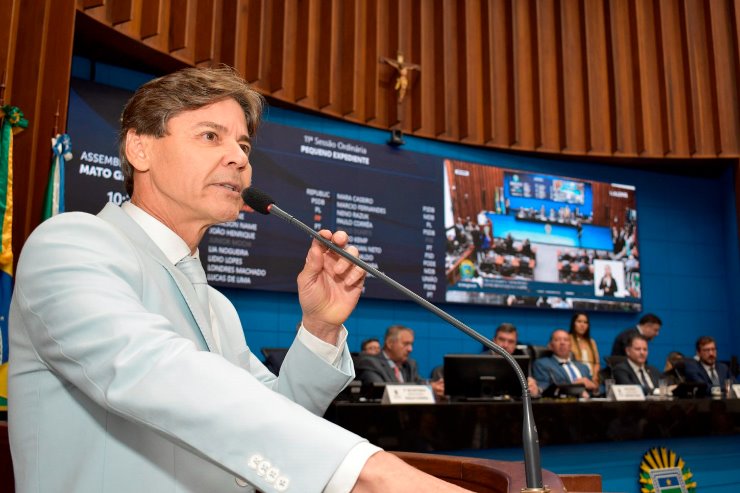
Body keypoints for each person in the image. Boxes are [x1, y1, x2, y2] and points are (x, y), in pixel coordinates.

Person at [8, 67, 470, 493]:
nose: (239, 159)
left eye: (244, 146)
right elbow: (155, 374)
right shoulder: (71, 244)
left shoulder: (216, 306)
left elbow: (275, 420)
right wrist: (372, 473)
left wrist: (320, 327)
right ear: (139, 148)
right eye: (211, 136)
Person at [355, 325, 445, 397]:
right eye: (406, 344)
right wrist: (427, 388)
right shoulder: (369, 362)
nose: (410, 349)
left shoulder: (410, 364)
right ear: (390, 343)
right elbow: (382, 391)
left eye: (411, 344)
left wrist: (435, 385)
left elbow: (418, 382)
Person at [532, 329, 598, 396]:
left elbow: (598, 390)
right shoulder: (542, 364)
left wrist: (594, 387)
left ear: (570, 346)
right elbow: (544, 387)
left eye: (566, 340)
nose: (562, 343)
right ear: (551, 346)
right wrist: (575, 389)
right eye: (557, 340)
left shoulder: (583, 367)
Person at [486, 323, 540, 397]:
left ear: (515, 345)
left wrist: (534, 391)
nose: (505, 345)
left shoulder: (522, 361)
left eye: (511, 341)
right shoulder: (481, 359)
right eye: (501, 339)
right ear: (494, 340)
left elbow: (533, 390)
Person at [568, 312, 601, 385]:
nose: (582, 325)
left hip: (592, 378)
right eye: (579, 321)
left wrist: (595, 376)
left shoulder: (591, 341)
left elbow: (597, 363)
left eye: (585, 322)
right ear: (573, 323)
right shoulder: (567, 339)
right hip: (576, 377)